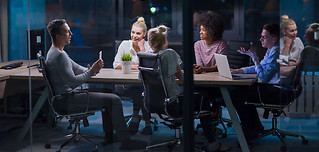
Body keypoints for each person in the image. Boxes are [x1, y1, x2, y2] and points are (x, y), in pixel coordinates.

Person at [46, 19, 146, 150]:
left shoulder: (58, 52)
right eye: (66, 31)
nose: (71, 33)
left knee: (108, 95)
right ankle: (125, 142)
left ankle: (109, 138)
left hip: (66, 97)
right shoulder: (59, 56)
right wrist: (92, 71)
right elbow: (74, 81)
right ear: (58, 36)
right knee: (114, 100)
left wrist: (91, 70)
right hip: (66, 100)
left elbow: (77, 68)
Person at [148, 25, 226, 152]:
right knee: (202, 96)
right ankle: (212, 143)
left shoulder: (145, 57)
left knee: (187, 95)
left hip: (154, 102)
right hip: (173, 103)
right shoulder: (169, 53)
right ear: (165, 41)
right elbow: (181, 77)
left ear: (150, 42)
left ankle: (186, 134)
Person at [230, 24, 281, 143]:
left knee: (236, 94)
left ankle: (248, 131)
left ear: (274, 39)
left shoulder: (276, 51)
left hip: (276, 90)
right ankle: (256, 126)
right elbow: (261, 67)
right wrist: (239, 70)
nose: (260, 39)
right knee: (243, 91)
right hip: (272, 87)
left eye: (264, 37)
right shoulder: (272, 49)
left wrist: (255, 58)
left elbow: (263, 77)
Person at [113, 17, 152, 135]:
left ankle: (135, 118)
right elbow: (116, 64)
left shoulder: (149, 46)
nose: (134, 36)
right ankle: (147, 123)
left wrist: (142, 49)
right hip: (124, 85)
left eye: (138, 33)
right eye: (133, 32)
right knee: (141, 91)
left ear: (144, 34)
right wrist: (135, 66)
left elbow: (149, 66)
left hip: (143, 85)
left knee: (141, 90)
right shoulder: (125, 45)